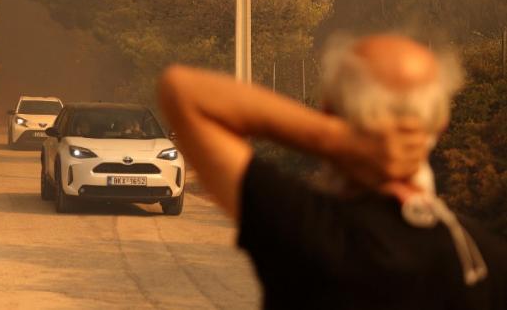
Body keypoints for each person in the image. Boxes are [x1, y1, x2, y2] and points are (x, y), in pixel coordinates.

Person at [157, 34, 507, 309]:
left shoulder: (307, 226)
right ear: (442, 124)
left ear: (327, 112)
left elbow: (182, 91)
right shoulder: (483, 257)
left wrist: (335, 137)